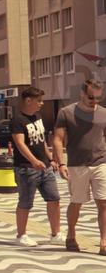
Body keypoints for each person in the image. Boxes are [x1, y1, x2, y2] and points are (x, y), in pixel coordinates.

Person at [53, 79, 106, 254]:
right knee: (76, 202)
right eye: (91, 97)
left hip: (101, 162)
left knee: (104, 202)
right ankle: (71, 235)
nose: (95, 101)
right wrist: (61, 163)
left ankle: (104, 241)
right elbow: (58, 140)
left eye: (98, 98)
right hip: (77, 165)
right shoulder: (66, 113)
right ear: (82, 94)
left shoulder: (104, 113)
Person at [10, 86, 62, 247]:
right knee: (25, 202)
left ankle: (56, 234)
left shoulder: (37, 117)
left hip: (45, 168)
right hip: (26, 168)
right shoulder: (17, 120)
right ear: (28, 100)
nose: (41, 104)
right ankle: (21, 235)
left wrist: (50, 159)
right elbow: (20, 143)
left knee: (54, 199)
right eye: (39, 101)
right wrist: (33, 161)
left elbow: (41, 141)